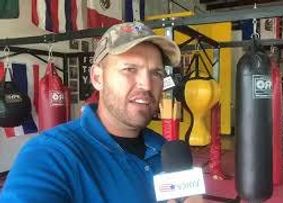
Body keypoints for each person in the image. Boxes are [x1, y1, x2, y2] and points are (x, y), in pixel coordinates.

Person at [0, 22, 181, 203]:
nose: (147, 85)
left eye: (156, 73)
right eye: (130, 69)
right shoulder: (50, 154)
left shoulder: (163, 148)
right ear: (97, 77)